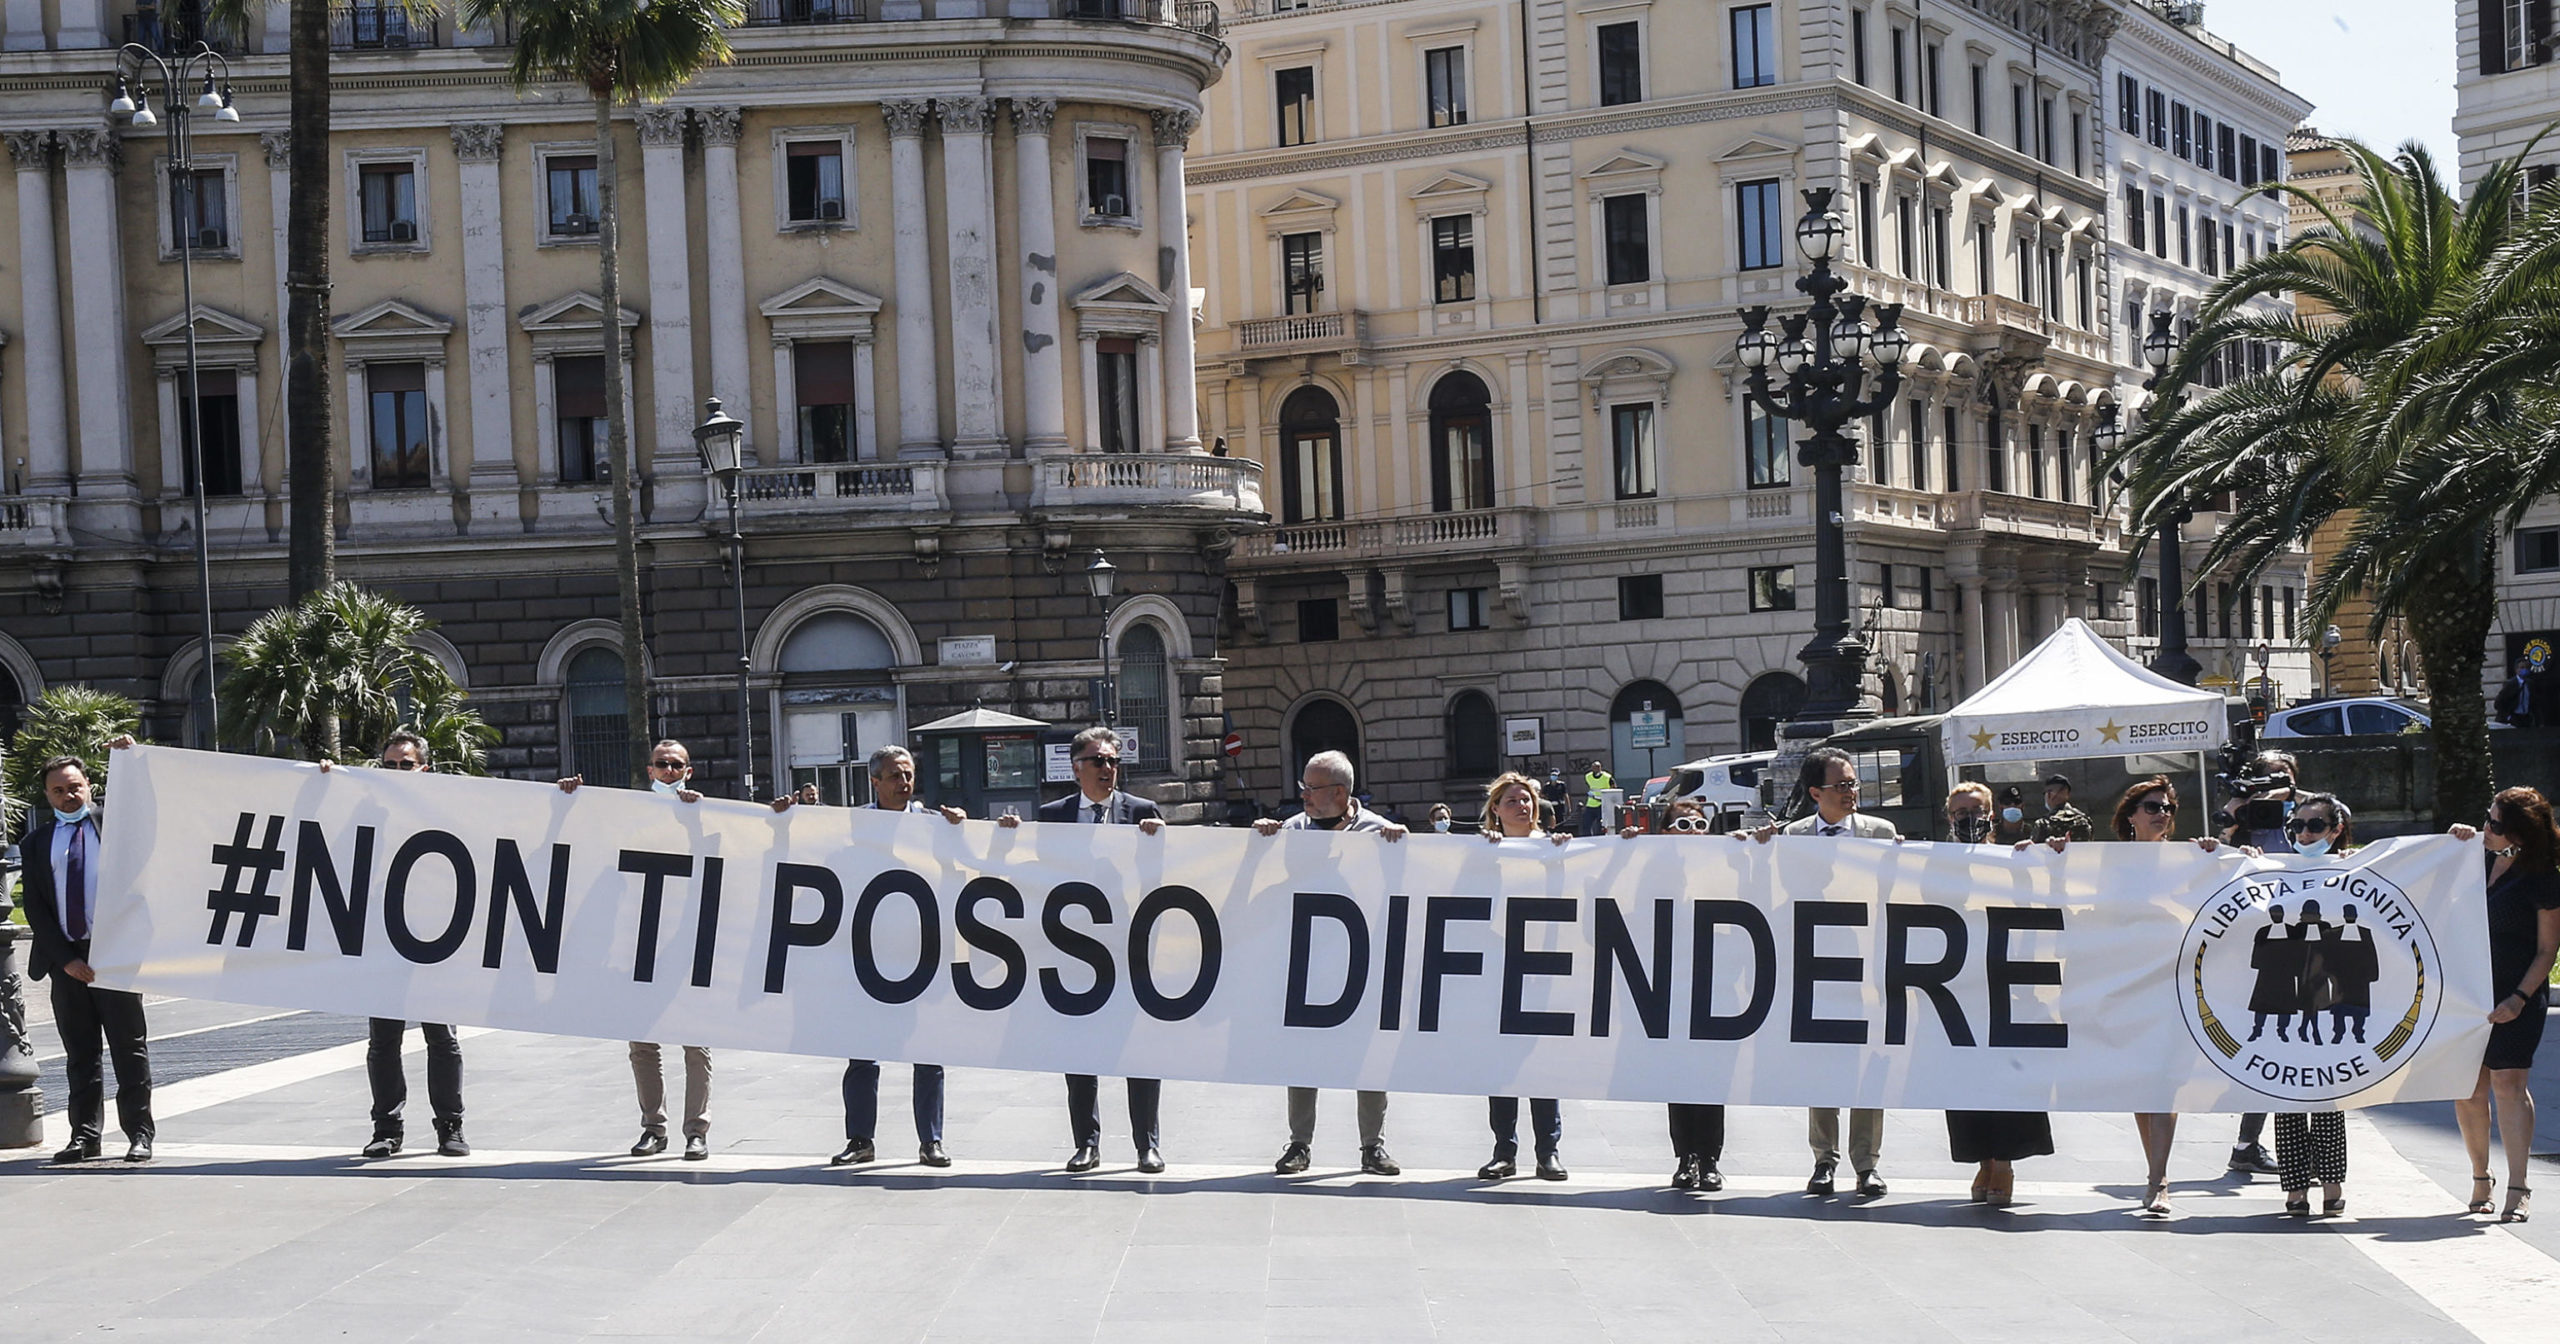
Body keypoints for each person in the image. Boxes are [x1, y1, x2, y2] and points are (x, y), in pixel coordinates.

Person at [776, 745, 970, 1169]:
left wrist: (961, 830)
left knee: (927, 1051)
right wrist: (785, 822)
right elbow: (816, 862)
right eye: (896, 776)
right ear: (875, 781)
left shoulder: (936, 825)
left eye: (909, 775)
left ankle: (931, 1141)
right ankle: (860, 1139)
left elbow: (961, 869)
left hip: (921, 953)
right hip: (866, 955)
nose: (905, 783)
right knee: (863, 1051)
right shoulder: (852, 826)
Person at [1001, 726, 1167, 1174]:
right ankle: (1087, 1143)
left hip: (1128, 948)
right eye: (1098, 761)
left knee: (1139, 1049)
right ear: (1077, 769)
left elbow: (1162, 874)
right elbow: (1035, 872)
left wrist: (1159, 839)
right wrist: (1009, 838)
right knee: (1078, 1050)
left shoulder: (1142, 812)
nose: (1108, 769)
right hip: (1074, 951)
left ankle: (1146, 1145)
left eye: (1113, 761)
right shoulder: (1053, 815)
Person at [1743, 747, 1896, 1198]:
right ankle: (1823, 1159)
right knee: (1823, 1064)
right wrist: (1754, 850)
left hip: (1868, 964)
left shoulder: (1881, 833)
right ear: (1815, 793)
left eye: (1853, 783)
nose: (1852, 792)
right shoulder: (1793, 836)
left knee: (1868, 1064)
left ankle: (1867, 1163)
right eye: (1842, 785)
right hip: (1815, 966)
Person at [2075, 776, 2228, 1215]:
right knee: (2143, 1084)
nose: (2162, 814)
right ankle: (2154, 1171)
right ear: (2130, 815)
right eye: (2152, 807)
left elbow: (2225, 885)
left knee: (2166, 1083)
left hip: (2173, 984)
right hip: (2126, 984)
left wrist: (2233, 857)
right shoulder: (2108, 861)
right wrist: (2046, 856)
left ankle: (2159, 1179)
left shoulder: (2189, 859)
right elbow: (2076, 896)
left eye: (2167, 808)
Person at [561, 740, 715, 1161]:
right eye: (661, 764)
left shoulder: (702, 811)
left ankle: (696, 1131)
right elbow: (591, 843)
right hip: (636, 939)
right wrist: (570, 803)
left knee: (694, 1041)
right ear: (649, 771)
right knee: (643, 1042)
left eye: (676, 765)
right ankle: (654, 1126)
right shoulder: (629, 813)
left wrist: (696, 818)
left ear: (689, 770)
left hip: (684, 942)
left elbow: (715, 858)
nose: (669, 771)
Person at [1256, 750, 1405, 1177]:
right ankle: (1299, 1144)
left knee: (1369, 1056)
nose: (1303, 795)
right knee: (1303, 1055)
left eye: (1312, 788)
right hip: (1308, 963)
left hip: (1363, 963)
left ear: (1339, 793)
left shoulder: (1380, 832)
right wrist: (1261, 838)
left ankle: (1372, 1146)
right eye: (1302, 786)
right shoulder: (1292, 830)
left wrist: (1404, 845)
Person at [324, 731, 469, 1159]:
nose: (398, 772)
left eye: (406, 764)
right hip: (384, 940)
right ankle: (386, 1128)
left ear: (424, 767)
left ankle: (450, 1127)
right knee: (383, 1040)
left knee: (442, 1038)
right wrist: (325, 783)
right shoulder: (366, 809)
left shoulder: (450, 807)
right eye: (390, 765)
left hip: (437, 940)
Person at [19, 752, 155, 1164]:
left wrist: (133, 756)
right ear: (47, 795)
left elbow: (150, 808)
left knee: (129, 1049)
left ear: (89, 786)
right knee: (80, 1054)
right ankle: (85, 1136)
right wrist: (65, 960)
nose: (68, 796)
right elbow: (37, 909)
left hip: (115, 955)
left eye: (74, 787)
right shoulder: (36, 843)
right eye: (58, 790)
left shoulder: (115, 828)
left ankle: (139, 1134)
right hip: (67, 960)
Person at [2457, 787, 2560, 1223]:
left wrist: (2518, 999)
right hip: (2465, 995)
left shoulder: (2542, 877)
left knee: (2508, 1086)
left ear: (2518, 833)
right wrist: (2451, 841)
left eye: (2495, 824)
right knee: (2468, 1088)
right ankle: (2481, 1177)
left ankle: (2518, 1187)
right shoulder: (2471, 860)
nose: (2486, 828)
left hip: (2516, 992)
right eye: (2486, 818)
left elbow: (2547, 950)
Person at [1948, 783, 2051, 1204]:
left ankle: (2004, 1162)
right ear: (1948, 818)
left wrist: (2051, 854)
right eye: (1959, 812)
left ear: (1992, 815)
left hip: (2009, 982)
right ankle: (1983, 1159)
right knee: (1964, 1077)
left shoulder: (2014, 859)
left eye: (1975, 811)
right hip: (1958, 985)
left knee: (2007, 1074)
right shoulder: (1935, 862)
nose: (1967, 818)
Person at [1622, 798, 1728, 1191]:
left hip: (1715, 985)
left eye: (1699, 825)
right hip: (1670, 984)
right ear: (1666, 833)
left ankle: (1711, 1158)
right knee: (1679, 1075)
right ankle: (1685, 1156)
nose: (1693, 833)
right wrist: (1627, 850)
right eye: (1683, 825)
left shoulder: (1722, 866)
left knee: (1711, 1076)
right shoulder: (1652, 869)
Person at [1478, 771, 1570, 1180]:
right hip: (1500, 960)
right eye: (1512, 801)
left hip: (1544, 961)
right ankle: (1504, 1150)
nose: (1523, 806)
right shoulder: (1485, 851)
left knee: (1543, 1060)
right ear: (1495, 810)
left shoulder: (1552, 848)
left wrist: (1566, 854)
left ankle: (1547, 1150)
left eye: (1527, 800)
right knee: (1501, 1061)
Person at [2270, 791, 2358, 1216]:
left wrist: (2457, 841)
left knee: (2327, 1092)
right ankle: (2294, 1187)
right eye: (2299, 826)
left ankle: (2332, 1182)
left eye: (2316, 826)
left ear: (2335, 830)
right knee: (2286, 1094)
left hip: (2330, 991)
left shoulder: (2359, 868)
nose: (2305, 834)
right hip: (2287, 992)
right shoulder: (2271, 867)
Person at [2032, 774, 2093, 843]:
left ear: (2048, 795)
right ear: (2068, 794)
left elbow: (2034, 850)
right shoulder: (2085, 819)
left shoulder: (2043, 823)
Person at [1579, 759, 1614, 836]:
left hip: (1602, 804)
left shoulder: (1607, 777)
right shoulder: (1588, 776)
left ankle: (1599, 839)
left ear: (1600, 768)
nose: (1596, 769)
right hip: (1591, 803)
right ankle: (1587, 838)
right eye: (1594, 767)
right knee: (1586, 823)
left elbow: (1613, 788)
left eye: (1598, 767)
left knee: (1600, 825)